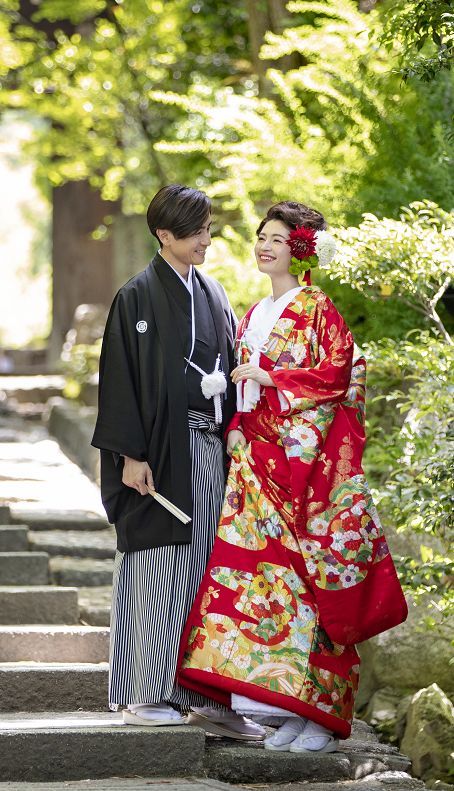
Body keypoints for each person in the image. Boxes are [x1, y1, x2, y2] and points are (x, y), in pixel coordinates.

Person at [177, 201, 407, 754]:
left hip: (304, 471)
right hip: (256, 465)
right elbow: (241, 387)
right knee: (263, 588)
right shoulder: (255, 312)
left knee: (314, 591)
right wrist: (234, 422)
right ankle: (284, 707)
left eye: (278, 238)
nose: (265, 245)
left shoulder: (319, 309)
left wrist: (271, 374)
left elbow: (336, 378)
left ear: (300, 249)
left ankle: (323, 718)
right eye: (262, 236)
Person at [91, 184, 266, 741]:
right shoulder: (136, 297)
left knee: (208, 569)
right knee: (156, 565)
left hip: (211, 450)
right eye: (195, 232)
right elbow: (120, 379)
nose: (205, 241)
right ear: (163, 235)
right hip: (158, 455)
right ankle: (147, 693)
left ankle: (206, 694)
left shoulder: (214, 294)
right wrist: (129, 454)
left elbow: (234, 364)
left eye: (208, 230)